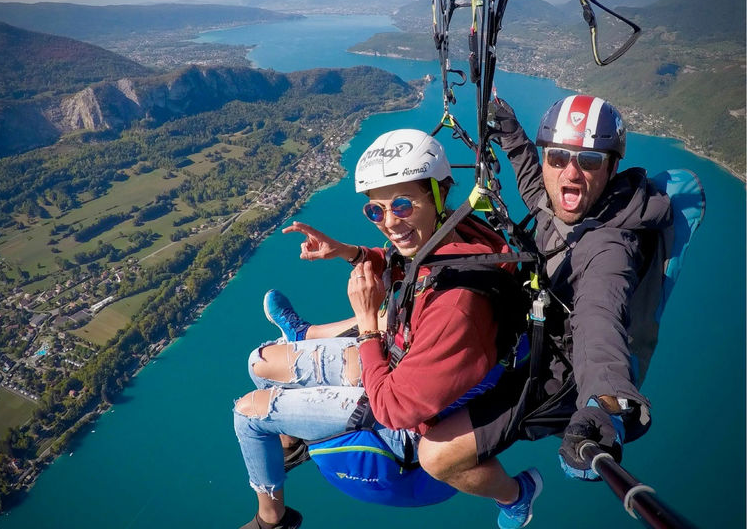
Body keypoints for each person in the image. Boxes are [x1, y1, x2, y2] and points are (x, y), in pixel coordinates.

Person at [263, 94, 674, 527]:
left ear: (612, 166)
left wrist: (601, 407)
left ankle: (516, 496)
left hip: (551, 374)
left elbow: (600, 323)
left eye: (588, 160)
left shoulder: (607, 250)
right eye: (559, 157)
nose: (570, 173)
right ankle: (306, 334)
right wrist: (511, 131)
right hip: (524, 320)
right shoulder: (568, 204)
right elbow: (535, 183)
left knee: (437, 454)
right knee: (404, 304)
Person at [232, 128, 533, 529]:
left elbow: (394, 410)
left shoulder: (457, 307)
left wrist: (368, 323)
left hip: (403, 414)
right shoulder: (458, 233)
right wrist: (351, 252)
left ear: (437, 194)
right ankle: (290, 440)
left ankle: (273, 520)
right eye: (375, 211)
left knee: (247, 414)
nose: (389, 222)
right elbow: (409, 266)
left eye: (403, 205)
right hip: (400, 360)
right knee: (261, 361)